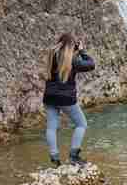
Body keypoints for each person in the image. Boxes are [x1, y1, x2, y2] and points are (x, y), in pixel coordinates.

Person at [42, 33, 95, 167]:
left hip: (49, 96)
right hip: (66, 98)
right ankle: (73, 156)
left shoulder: (51, 56)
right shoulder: (73, 60)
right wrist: (82, 51)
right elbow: (91, 64)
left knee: (51, 127)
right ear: (72, 46)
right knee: (81, 124)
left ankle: (54, 157)